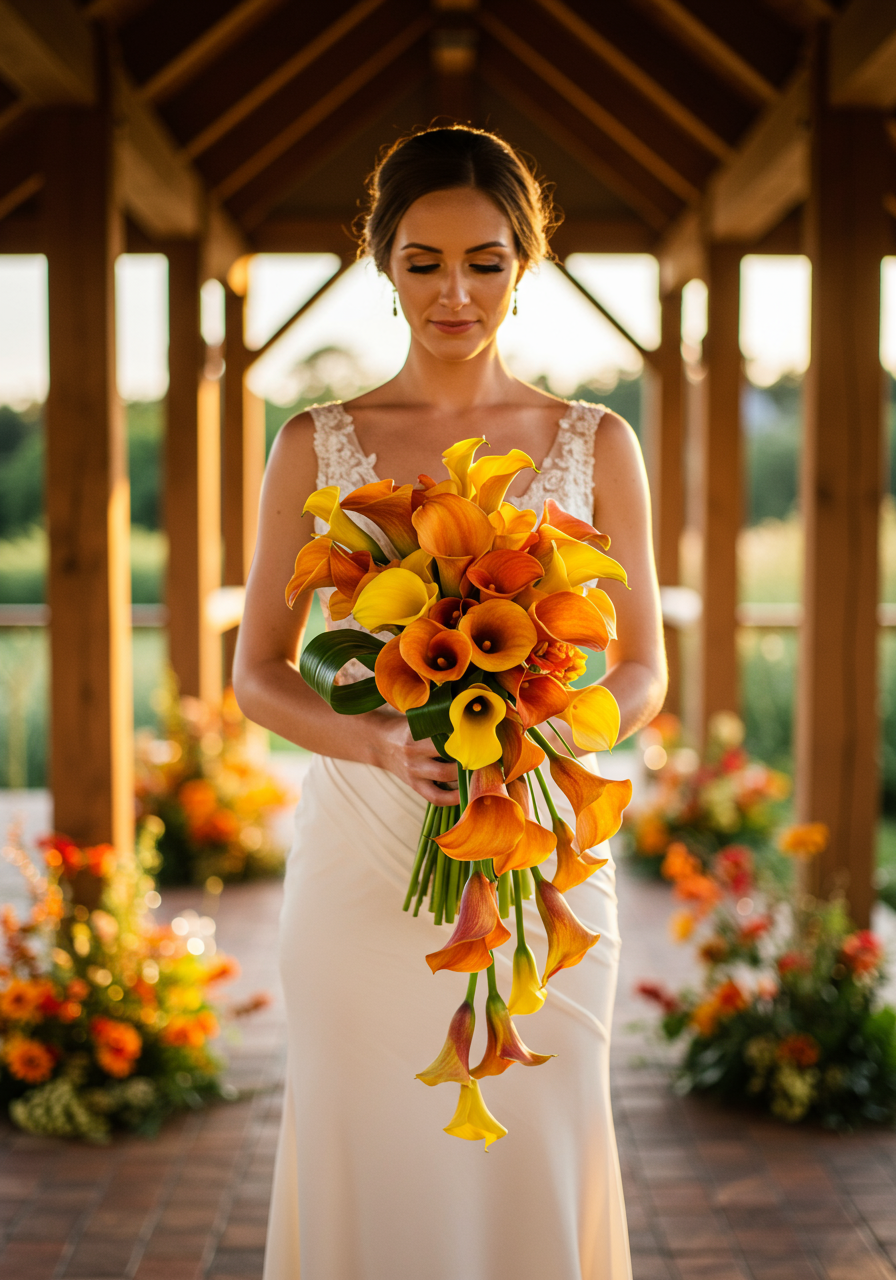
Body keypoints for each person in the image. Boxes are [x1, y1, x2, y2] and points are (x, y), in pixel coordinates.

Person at [233, 125, 666, 1280]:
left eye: (482, 260)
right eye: (422, 262)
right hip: (361, 859)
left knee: (541, 1125)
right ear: (383, 266)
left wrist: (544, 729)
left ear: (524, 263)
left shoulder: (595, 440)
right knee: (364, 1137)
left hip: (543, 844)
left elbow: (642, 670)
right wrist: (369, 739)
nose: (453, 291)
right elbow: (258, 672)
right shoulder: (312, 444)